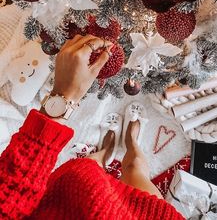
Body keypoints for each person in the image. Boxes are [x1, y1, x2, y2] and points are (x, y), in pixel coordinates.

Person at [0, 34, 184, 220]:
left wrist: (62, 97)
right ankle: (130, 141)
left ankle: (105, 152)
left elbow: (9, 194)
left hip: (72, 197)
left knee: (90, 165)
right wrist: (63, 98)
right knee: (135, 166)